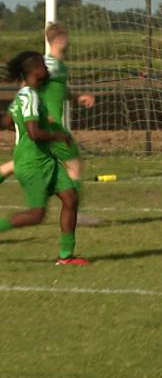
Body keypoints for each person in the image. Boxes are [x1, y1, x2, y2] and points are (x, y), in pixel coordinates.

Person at [0, 23, 101, 225]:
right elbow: (26, 88)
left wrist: (78, 97)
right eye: (66, 37)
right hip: (50, 127)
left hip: (49, 127)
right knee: (74, 165)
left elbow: (60, 90)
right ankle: (75, 213)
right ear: (61, 39)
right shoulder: (49, 65)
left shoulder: (59, 67)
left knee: (17, 165)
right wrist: (37, 115)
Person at [0, 51, 89, 265]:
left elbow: (7, 121)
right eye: (43, 65)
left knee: (70, 197)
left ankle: (66, 257)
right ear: (34, 70)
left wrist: (38, 122)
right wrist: (57, 134)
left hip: (46, 160)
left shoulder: (26, 94)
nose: (47, 69)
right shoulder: (29, 95)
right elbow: (33, 133)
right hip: (32, 164)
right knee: (36, 215)